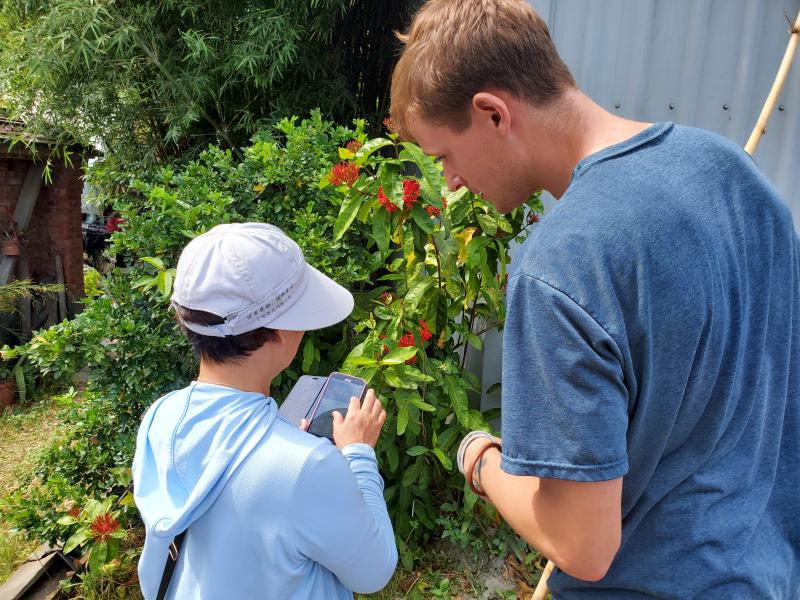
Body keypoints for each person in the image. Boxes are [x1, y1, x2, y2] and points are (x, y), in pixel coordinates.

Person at [390, 1, 799, 598]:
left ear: (492, 113)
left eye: (443, 156)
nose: (449, 182)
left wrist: (480, 461)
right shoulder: (734, 173)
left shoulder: (563, 262)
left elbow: (582, 544)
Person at [132, 223, 397, 599]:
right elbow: (375, 572)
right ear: (279, 331)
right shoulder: (309, 467)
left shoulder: (161, 416)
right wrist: (358, 454)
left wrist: (287, 443)